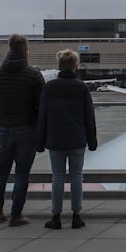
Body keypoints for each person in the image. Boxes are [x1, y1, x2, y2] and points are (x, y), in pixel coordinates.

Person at [0, 34, 45, 226]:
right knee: (22, 174)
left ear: (9, 48)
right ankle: (16, 215)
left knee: (0, 172)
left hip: (3, 129)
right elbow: (42, 104)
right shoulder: (33, 75)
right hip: (26, 129)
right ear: (25, 50)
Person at [36, 49, 97, 229]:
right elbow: (89, 117)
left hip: (55, 139)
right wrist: (92, 141)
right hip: (77, 139)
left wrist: (39, 142)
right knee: (77, 177)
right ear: (76, 66)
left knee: (58, 177)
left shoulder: (49, 87)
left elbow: (42, 116)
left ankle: (56, 216)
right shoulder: (82, 87)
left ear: (59, 66)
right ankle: (76, 215)